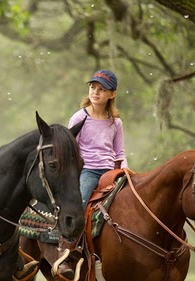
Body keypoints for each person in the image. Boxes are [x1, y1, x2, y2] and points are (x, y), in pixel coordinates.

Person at [58, 69, 128, 279]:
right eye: (93, 88)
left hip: (110, 171)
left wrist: (124, 169)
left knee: (128, 204)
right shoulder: (80, 117)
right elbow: (71, 148)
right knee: (78, 205)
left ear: (112, 94)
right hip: (88, 170)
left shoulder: (115, 122)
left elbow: (119, 151)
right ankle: (66, 251)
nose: (95, 92)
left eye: (101, 89)